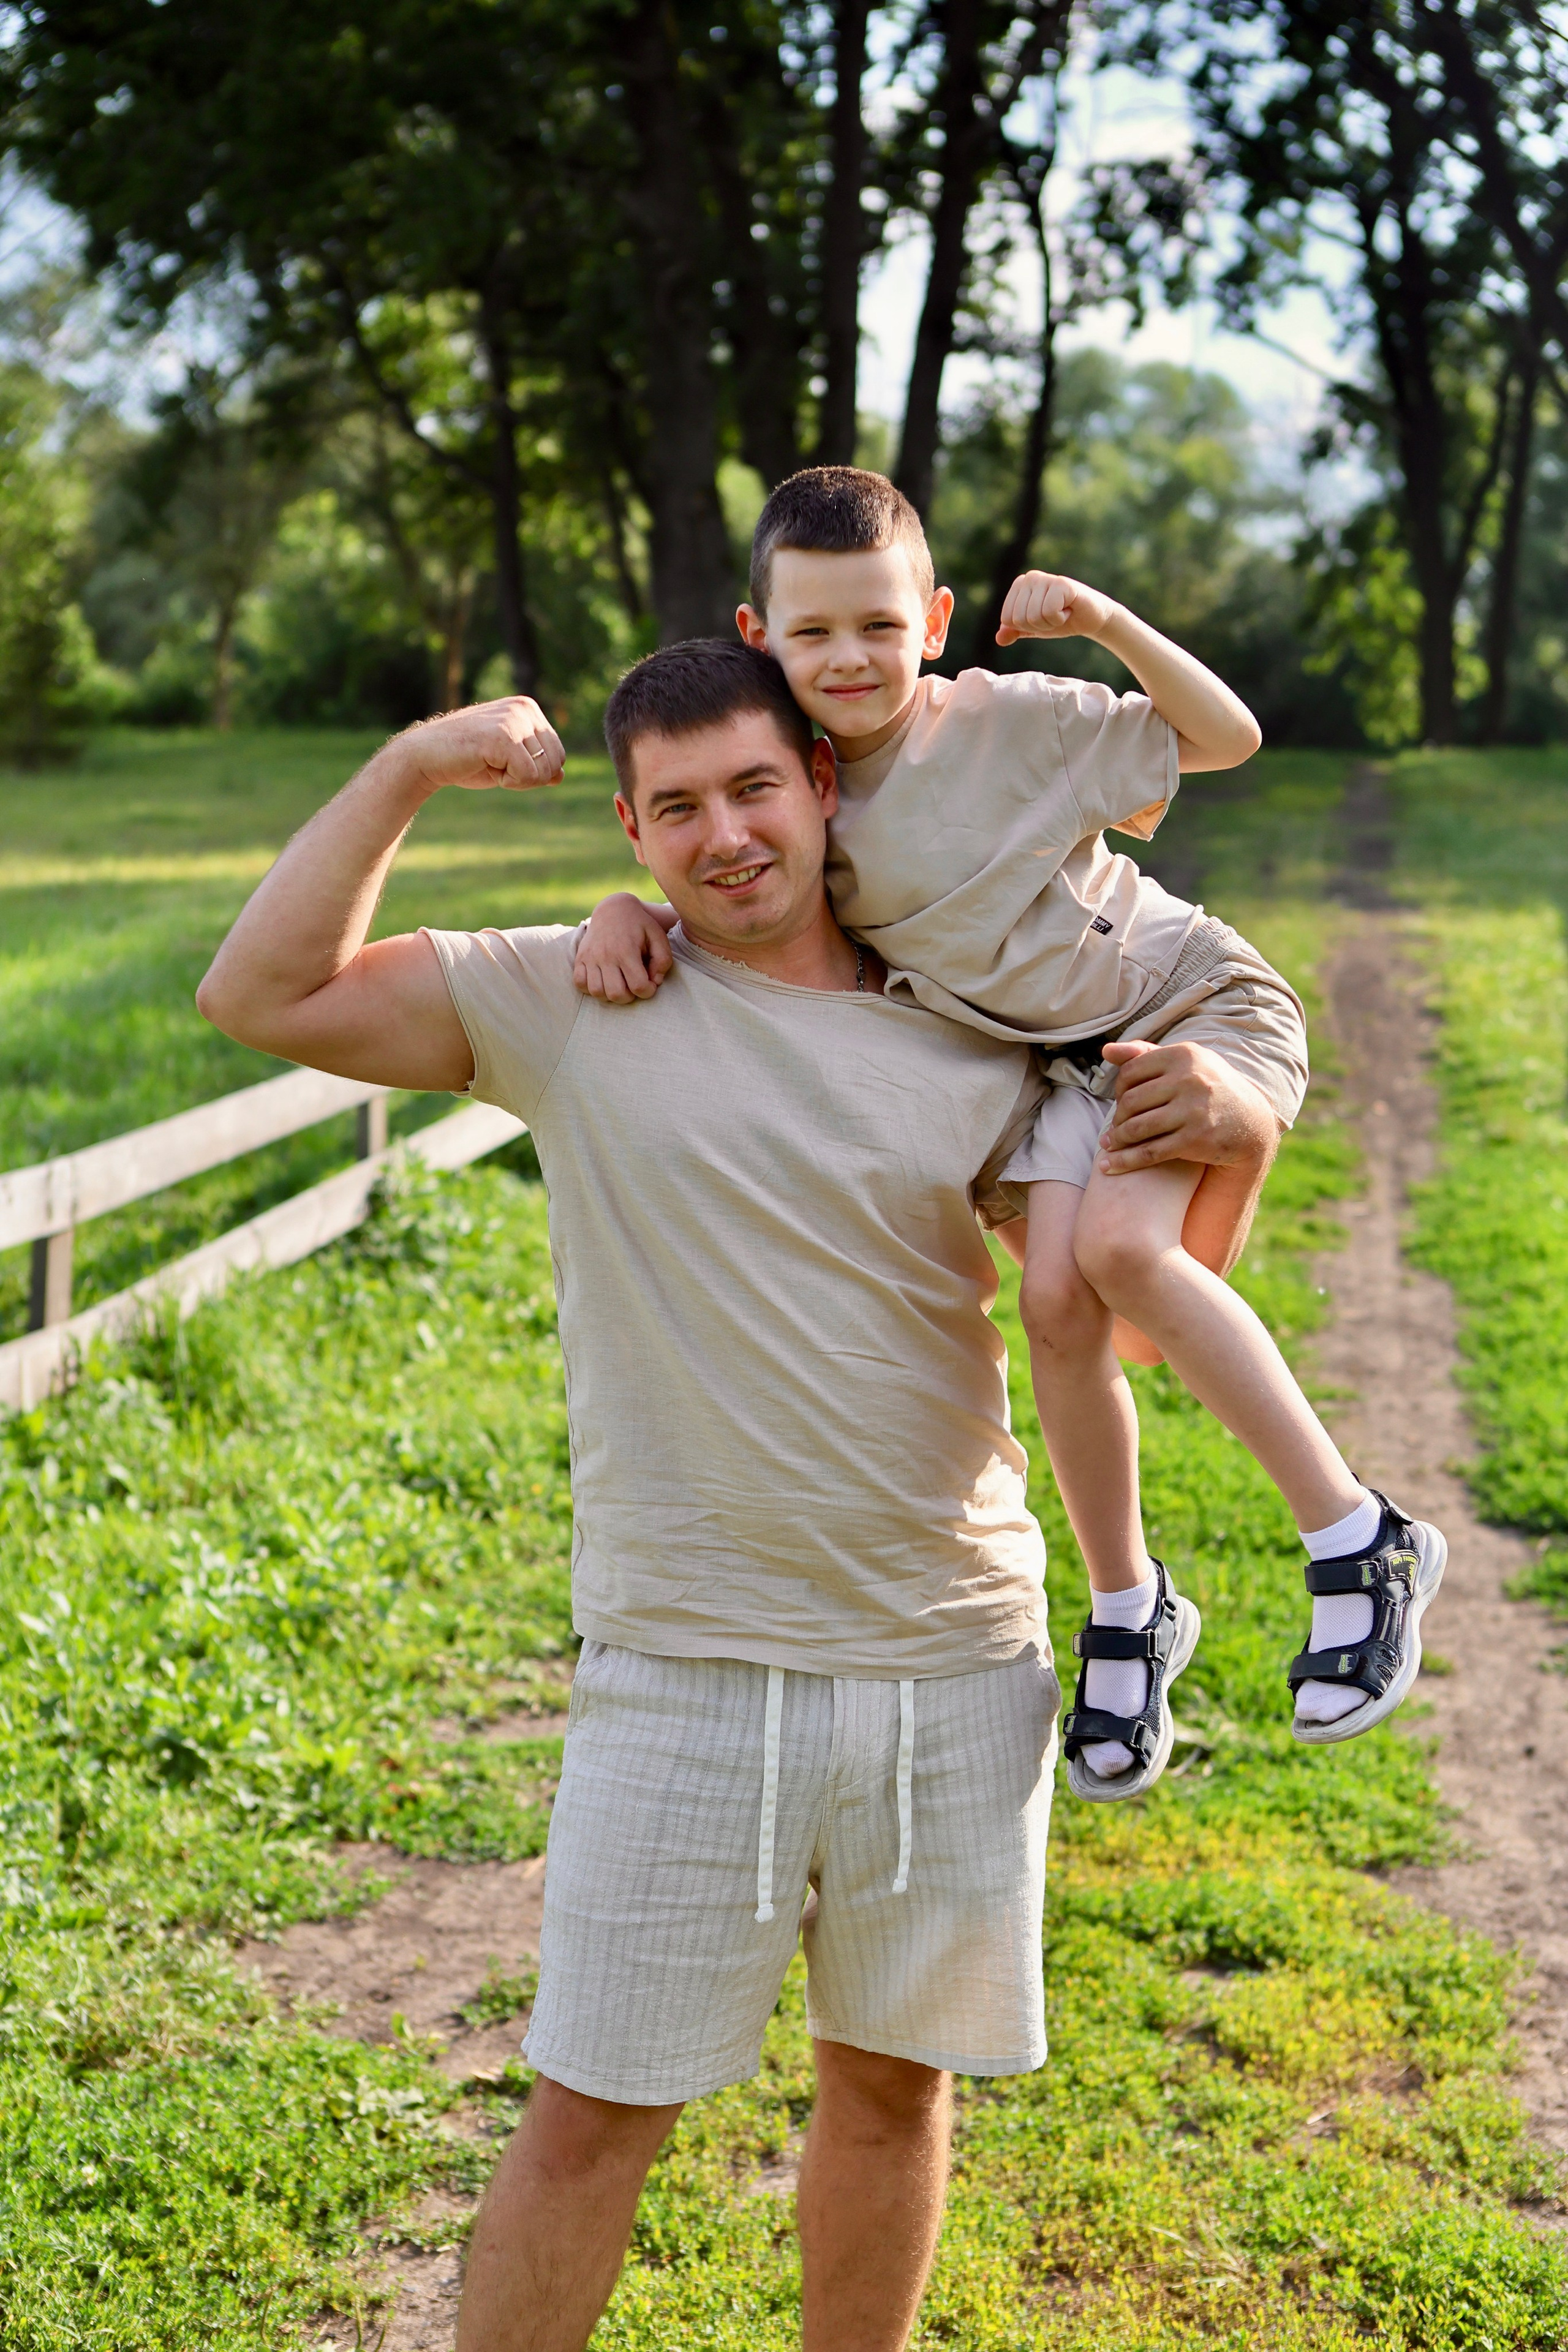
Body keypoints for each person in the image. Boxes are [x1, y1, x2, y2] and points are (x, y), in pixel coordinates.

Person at [195, 643, 1273, 2352]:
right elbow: (260, 995)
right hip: (685, 1667)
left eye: (757, 788)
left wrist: (1238, 1136)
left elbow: (1124, 1327)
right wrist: (409, 764)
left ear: (824, 785)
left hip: (951, 1656)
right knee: (591, 2121)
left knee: (893, 2100)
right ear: (628, 827)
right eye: (678, 809)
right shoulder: (569, 998)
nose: (727, 837)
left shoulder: (981, 1029)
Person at [576, 466, 1446, 1801]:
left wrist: (1104, 620)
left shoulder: (1008, 725)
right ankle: (1128, 1606)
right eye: (812, 634)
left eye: (877, 625)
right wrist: (617, 913)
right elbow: (725, 877)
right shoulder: (802, 787)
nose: (849, 658)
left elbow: (1223, 739)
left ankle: (1355, 1534)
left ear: (930, 619)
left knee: (1130, 1265)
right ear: (761, 640)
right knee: (1050, 1303)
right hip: (1065, 1071)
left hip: (1190, 1002)